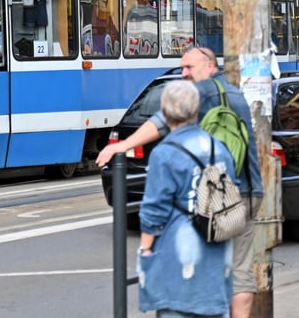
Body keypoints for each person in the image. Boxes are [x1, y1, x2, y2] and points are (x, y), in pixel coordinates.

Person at [97, 46, 263, 318]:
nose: (183, 73)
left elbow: (165, 118)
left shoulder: (203, 90)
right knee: (240, 271)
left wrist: (123, 145)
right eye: (182, 67)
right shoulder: (235, 93)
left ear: (210, 66)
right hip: (247, 189)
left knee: (204, 264)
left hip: (218, 195)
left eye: (189, 67)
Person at [137, 79, 235, 317]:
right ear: (196, 110)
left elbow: (154, 210)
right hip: (217, 253)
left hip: (180, 257)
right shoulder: (219, 148)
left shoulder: (165, 153)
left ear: (165, 111)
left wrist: (145, 249)